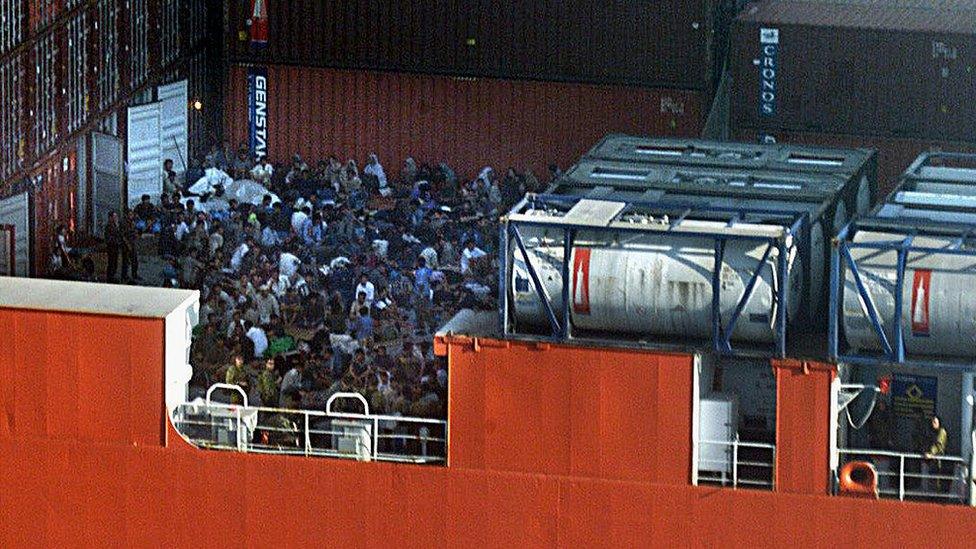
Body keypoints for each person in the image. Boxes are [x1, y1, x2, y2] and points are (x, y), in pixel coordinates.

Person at [104, 211, 123, 282]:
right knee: (111, 262)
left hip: (116, 246)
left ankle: (113, 276)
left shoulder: (116, 225)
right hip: (111, 247)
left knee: (115, 262)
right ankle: (110, 277)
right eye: (114, 217)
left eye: (116, 217)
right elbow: (109, 237)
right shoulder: (108, 226)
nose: (116, 218)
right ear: (110, 218)